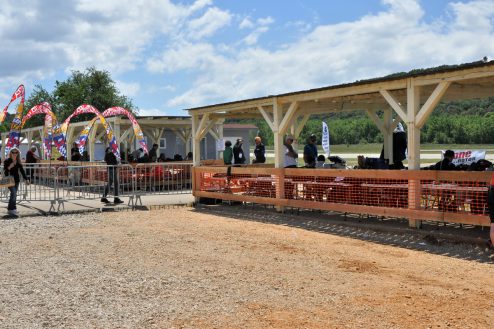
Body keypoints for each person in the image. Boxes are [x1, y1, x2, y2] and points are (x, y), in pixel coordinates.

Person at [4, 148, 30, 216]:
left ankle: (11, 209)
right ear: (10, 153)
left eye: (16, 153)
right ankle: (12, 209)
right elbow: (5, 171)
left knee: (13, 195)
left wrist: (26, 179)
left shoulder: (18, 161)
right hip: (9, 179)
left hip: (16, 180)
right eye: (13, 152)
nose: (15, 154)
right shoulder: (7, 161)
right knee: (14, 193)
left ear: (18, 153)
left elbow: (22, 171)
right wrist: (10, 166)